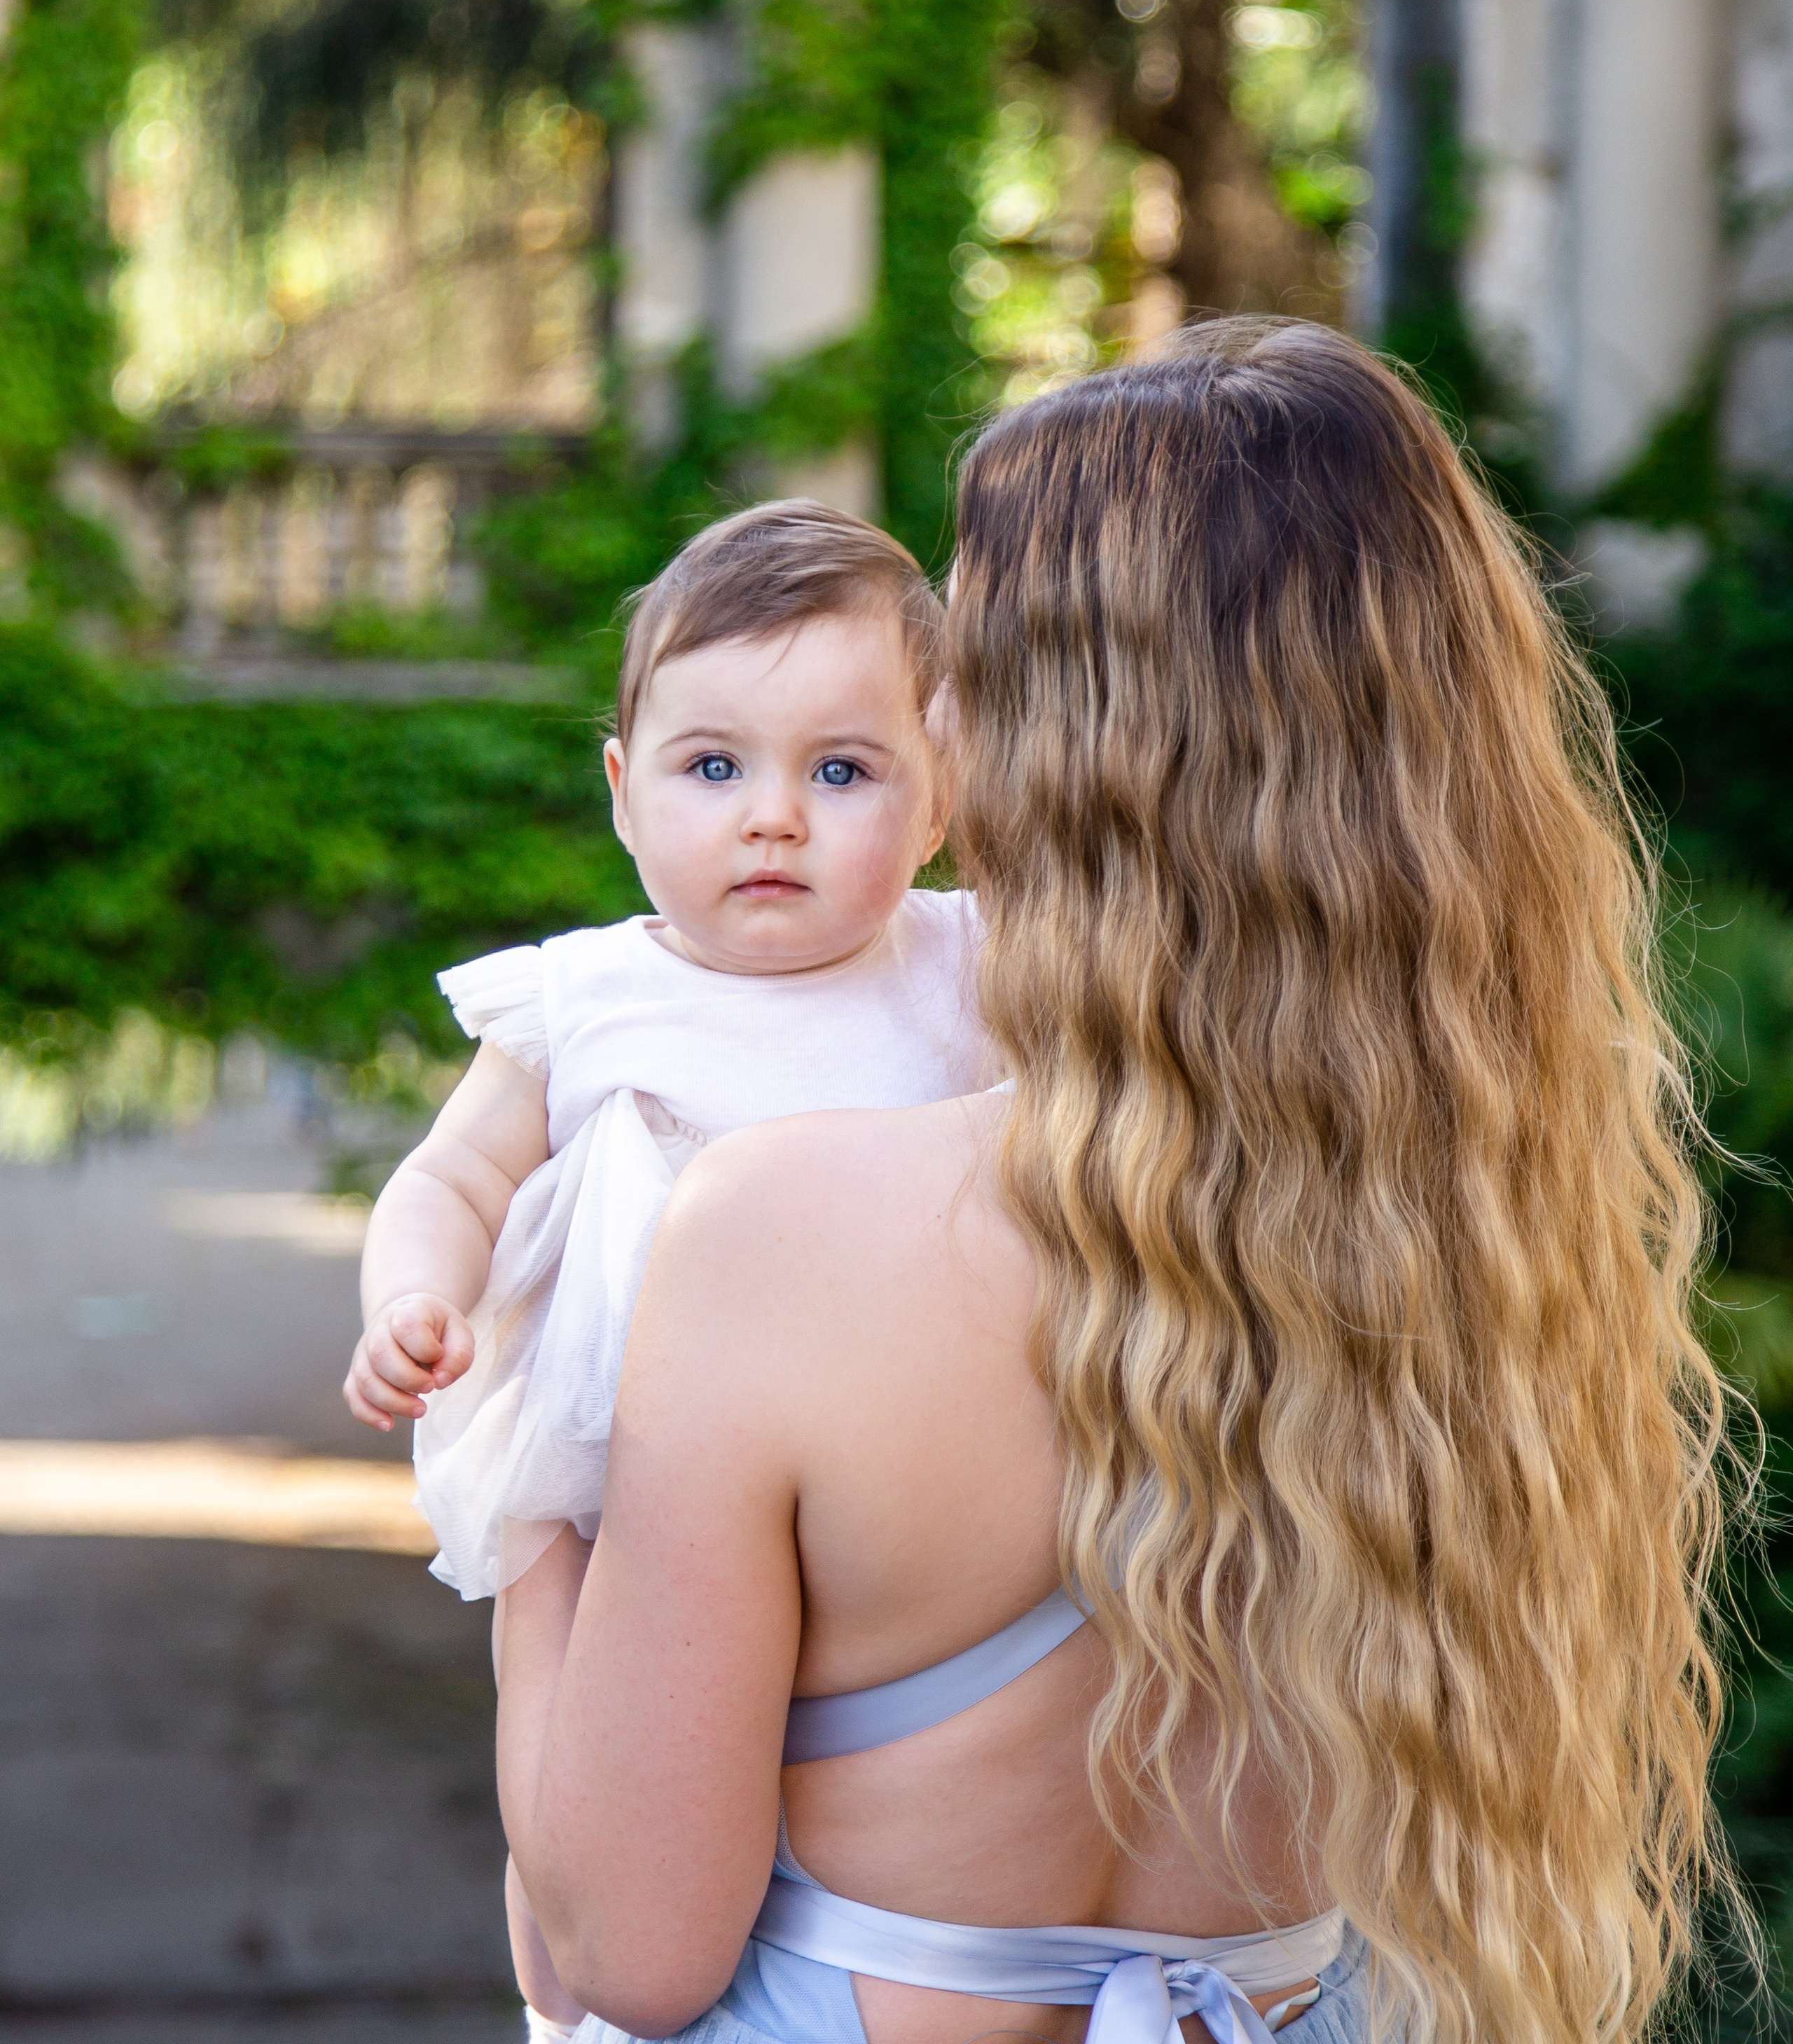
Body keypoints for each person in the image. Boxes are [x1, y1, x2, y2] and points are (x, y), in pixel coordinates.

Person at [496, 317, 1743, 2044]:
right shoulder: (1482, 1241)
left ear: (1044, 747)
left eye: (965, 656)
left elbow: (625, 1952)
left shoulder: (783, 1235)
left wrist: (526, 1502)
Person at [342, 500, 995, 2039]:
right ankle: (558, 1956)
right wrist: (410, 1303)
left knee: (809, 1764)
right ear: (626, 796)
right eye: (714, 769)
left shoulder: (965, 969)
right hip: (607, 1479)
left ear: (940, 798)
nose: (773, 816)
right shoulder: (584, 1002)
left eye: (840, 771)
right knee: (565, 1707)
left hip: (875, 1482)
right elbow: (449, 1177)